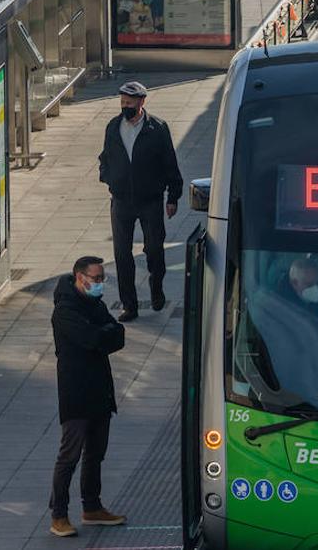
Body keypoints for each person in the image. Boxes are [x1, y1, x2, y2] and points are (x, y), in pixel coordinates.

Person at [49, 256, 127, 538]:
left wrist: (104, 333)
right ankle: (58, 514)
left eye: (102, 278)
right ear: (80, 278)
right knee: (69, 456)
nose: (100, 284)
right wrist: (103, 333)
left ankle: (92, 507)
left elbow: (118, 335)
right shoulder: (65, 311)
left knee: (96, 453)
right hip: (76, 393)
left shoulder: (95, 305)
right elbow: (94, 339)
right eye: (96, 279)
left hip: (100, 391)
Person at [98, 81, 184, 322]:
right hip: (122, 201)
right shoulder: (113, 128)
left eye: (129, 103)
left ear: (141, 102)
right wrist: (108, 176)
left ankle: (157, 288)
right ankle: (130, 305)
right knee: (122, 254)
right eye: (122, 103)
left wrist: (173, 197)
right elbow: (105, 157)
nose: (125, 107)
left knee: (154, 249)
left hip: (151, 200)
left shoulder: (157, 128)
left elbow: (170, 163)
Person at [278, 257, 318, 323]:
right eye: (309, 285)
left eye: (317, 283)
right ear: (295, 283)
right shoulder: (280, 307)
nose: (315, 288)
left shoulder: (311, 302)